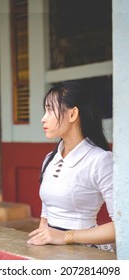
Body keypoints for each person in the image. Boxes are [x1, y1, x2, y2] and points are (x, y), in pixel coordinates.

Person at [27, 81, 115, 251]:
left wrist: (66, 236)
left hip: (86, 251)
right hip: (52, 250)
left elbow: (123, 226)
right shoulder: (50, 159)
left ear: (73, 114)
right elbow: (46, 214)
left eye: (50, 110)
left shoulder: (100, 160)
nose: (43, 118)